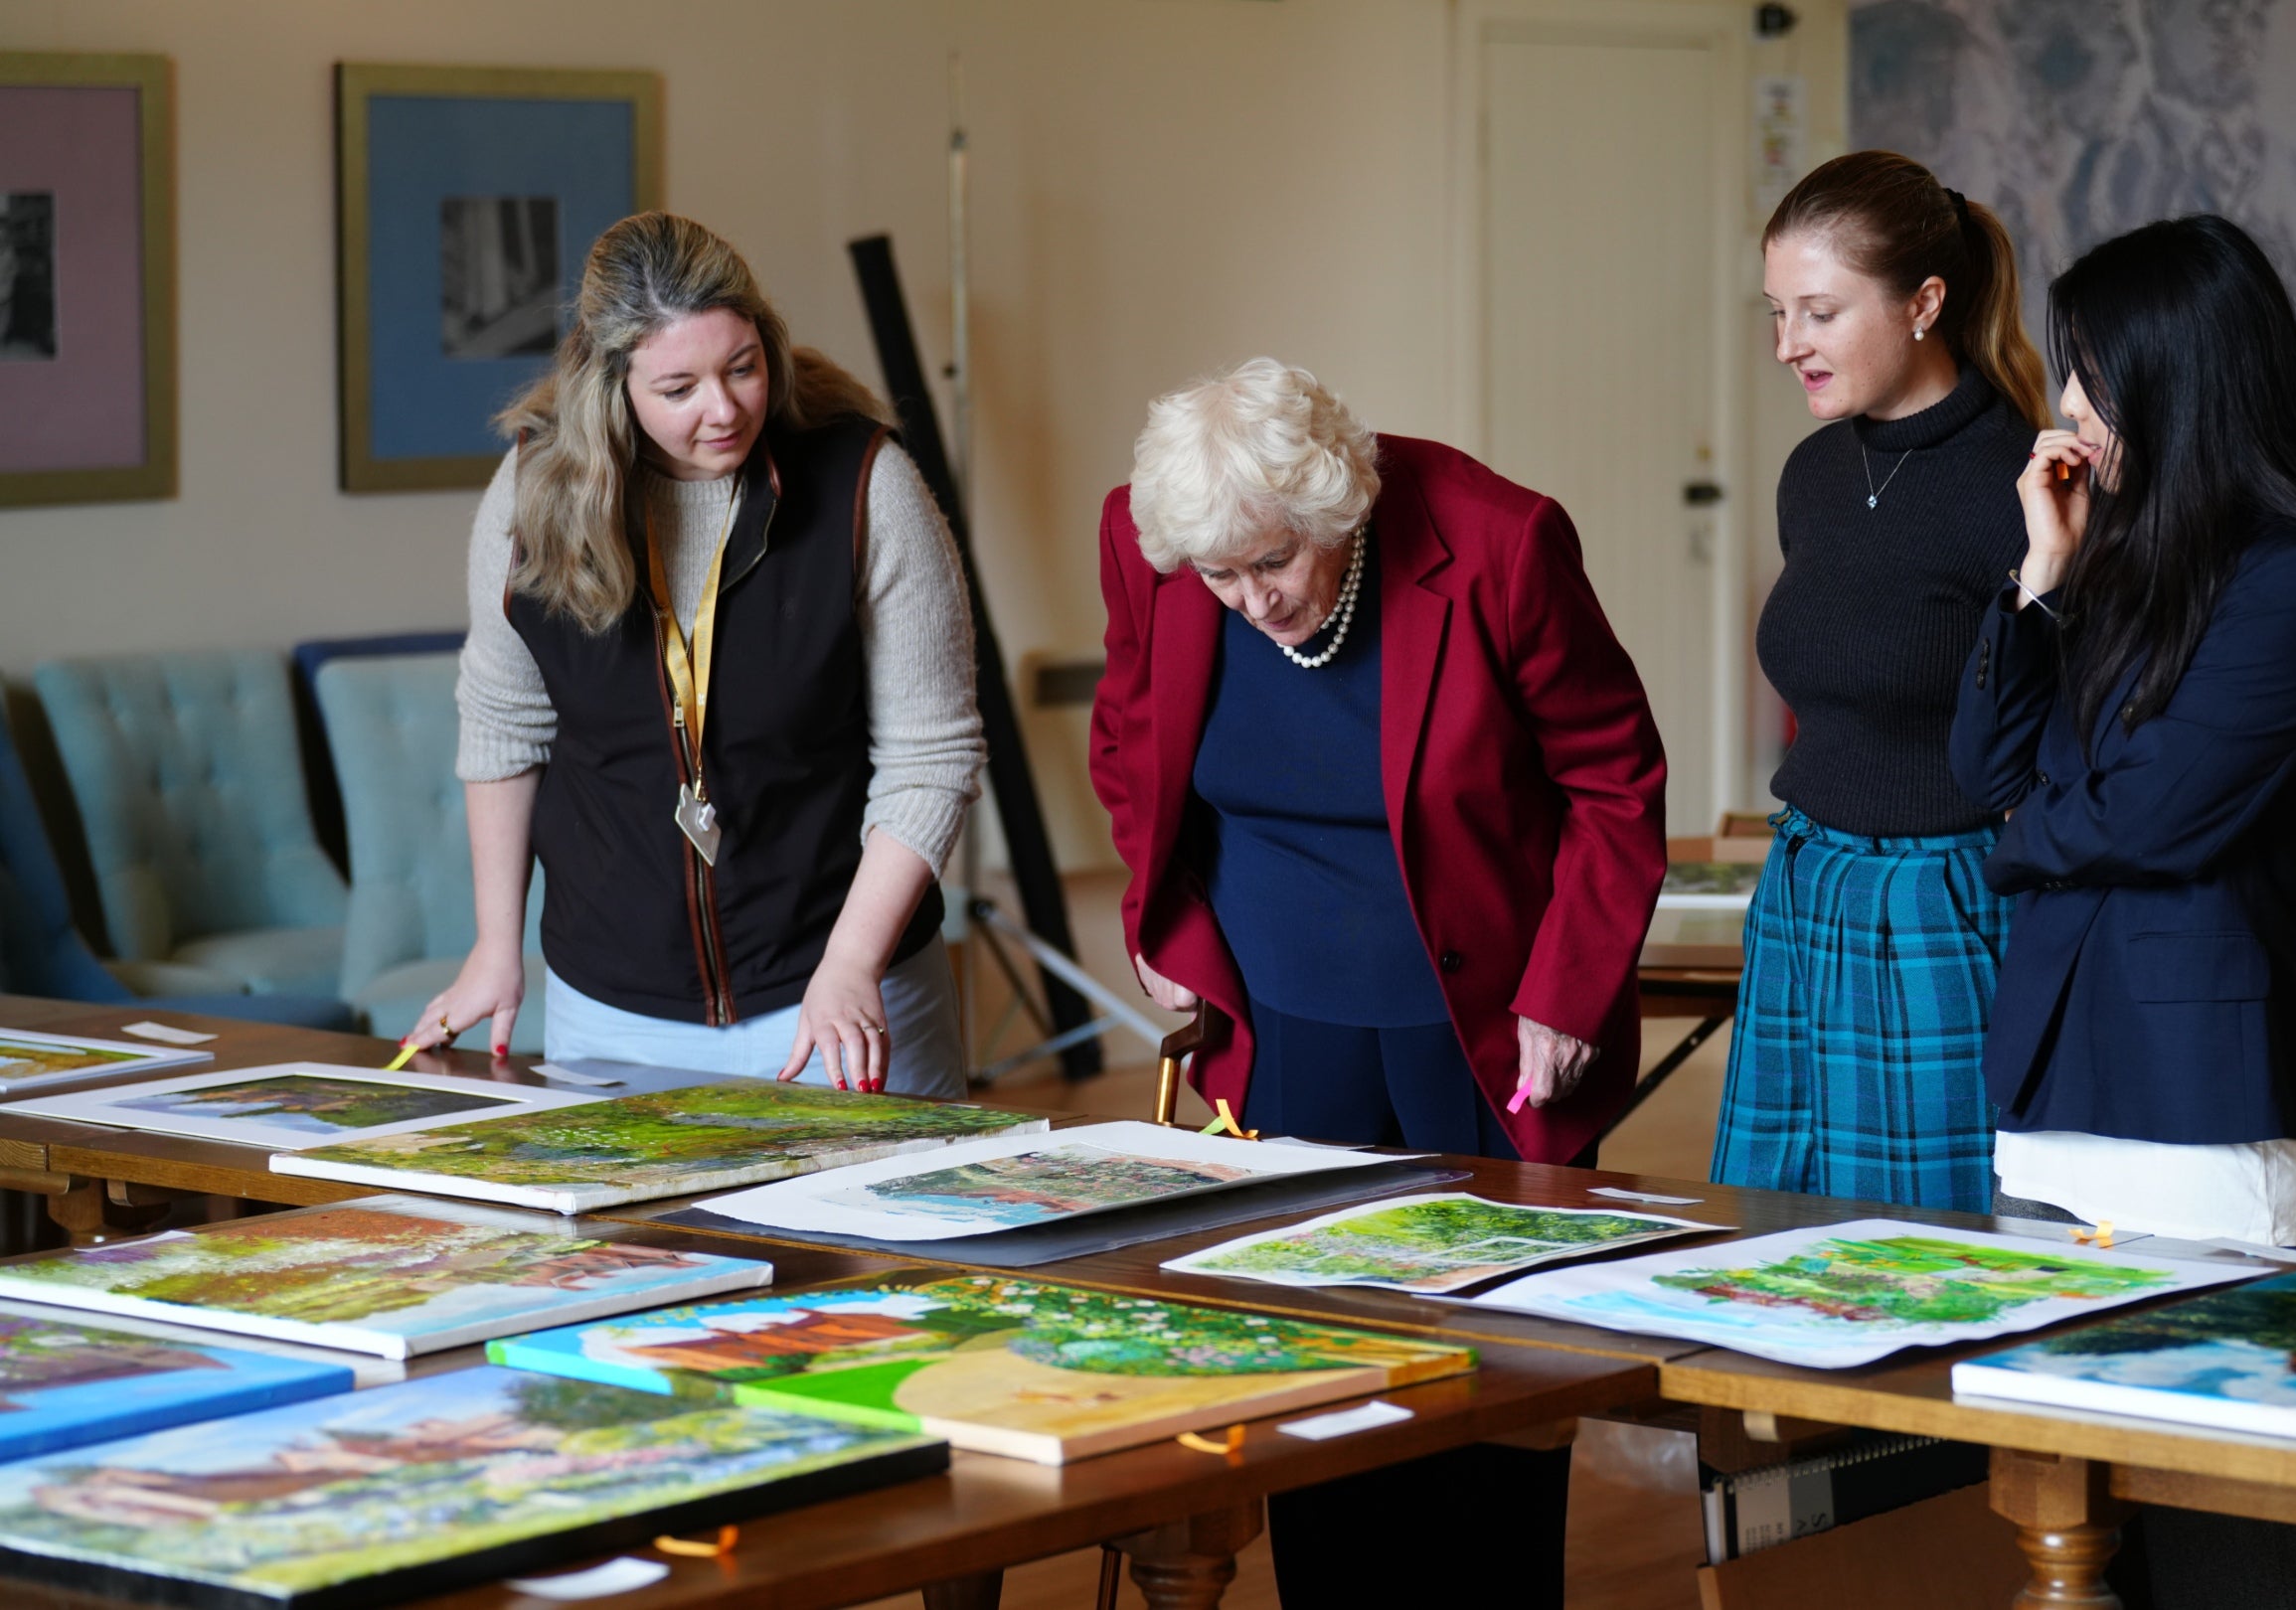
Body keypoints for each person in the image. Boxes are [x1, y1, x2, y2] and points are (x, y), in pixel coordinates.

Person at [1090, 357, 1664, 1610]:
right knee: (1315, 1375)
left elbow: (1614, 783)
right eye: (1221, 578)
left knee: (1494, 1380)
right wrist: (1163, 922)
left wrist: (1568, 987)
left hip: (1484, 1023)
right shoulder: (1161, 550)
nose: (1248, 601)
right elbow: (1131, 736)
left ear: (1338, 507)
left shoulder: (1500, 542)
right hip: (1283, 1015)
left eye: (1274, 565)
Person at [1951, 214, 2296, 1607]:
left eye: (2089, 374)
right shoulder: (2117, 556)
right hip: (2052, 1079)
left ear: (2178, 378)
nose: (2066, 408)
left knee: (2236, 1532)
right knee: (2078, 1522)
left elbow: (2159, 817)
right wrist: (2043, 575)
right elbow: (1982, 769)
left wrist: (2026, 843)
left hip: (2197, 1100)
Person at [424, 212, 985, 1095]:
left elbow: (931, 754)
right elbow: (504, 724)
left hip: (839, 994)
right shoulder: (531, 495)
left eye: (743, 368)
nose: (723, 409)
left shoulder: (865, 484)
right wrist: (496, 947)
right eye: (678, 388)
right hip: (611, 1007)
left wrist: (849, 964)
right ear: (609, 387)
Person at [1711, 150, 2049, 1213]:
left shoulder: (2020, 484)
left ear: (1924, 304)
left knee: (1925, 1254)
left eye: (1816, 312)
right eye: (1775, 314)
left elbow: (2058, 731)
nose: (1785, 346)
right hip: (1802, 886)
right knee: (1766, 1237)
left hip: (1939, 905)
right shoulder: (1814, 475)